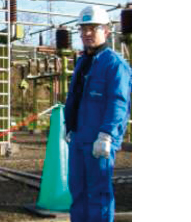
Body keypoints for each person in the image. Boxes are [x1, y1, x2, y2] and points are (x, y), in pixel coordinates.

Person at [64, 6, 132, 222]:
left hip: (99, 140)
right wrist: (69, 126)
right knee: (78, 191)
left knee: (98, 194)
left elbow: (119, 102)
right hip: (79, 138)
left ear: (107, 31)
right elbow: (75, 98)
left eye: (93, 28)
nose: (87, 34)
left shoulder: (115, 64)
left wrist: (107, 135)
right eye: (83, 29)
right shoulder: (82, 61)